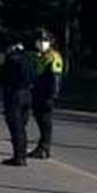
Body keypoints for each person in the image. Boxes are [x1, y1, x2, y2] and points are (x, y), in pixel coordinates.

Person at [0, 38, 36, 166]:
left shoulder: (12, 59)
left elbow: (2, 76)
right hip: (28, 95)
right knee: (22, 127)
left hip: (14, 95)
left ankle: (19, 157)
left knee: (16, 128)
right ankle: (21, 155)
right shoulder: (30, 58)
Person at [30, 31, 64, 159]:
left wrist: (52, 96)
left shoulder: (53, 56)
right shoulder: (39, 56)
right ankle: (42, 147)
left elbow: (55, 78)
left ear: (50, 42)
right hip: (38, 93)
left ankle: (44, 148)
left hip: (46, 94)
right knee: (40, 120)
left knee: (45, 121)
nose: (41, 43)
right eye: (39, 40)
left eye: (44, 40)